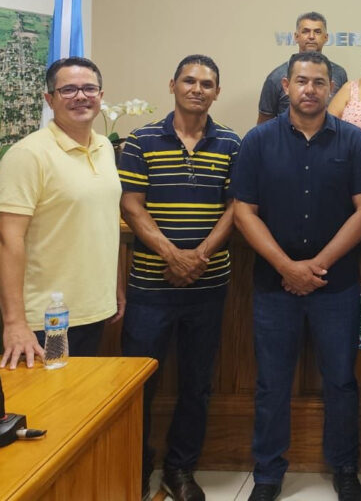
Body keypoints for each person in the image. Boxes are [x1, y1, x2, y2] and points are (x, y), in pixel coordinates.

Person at [233, 51, 361, 501]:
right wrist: (286, 267)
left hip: (336, 286)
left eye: (319, 82)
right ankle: (268, 474)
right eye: (302, 81)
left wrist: (316, 266)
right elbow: (244, 211)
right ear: (286, 86)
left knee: (341, 380)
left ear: (331, 88)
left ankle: (345, 468)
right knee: (272, 383)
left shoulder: (353, 140)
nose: (310, 89)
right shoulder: (258, 140)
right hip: (274, 285)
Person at [117, 54, 241, 501]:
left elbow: (236, 208)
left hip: (208, 286)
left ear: (217, 92)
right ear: (172, 85)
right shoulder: (141, 140)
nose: (197, 89)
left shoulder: (232, 143)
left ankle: (180, 469)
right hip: (150, 287)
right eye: (189, 81)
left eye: (206, 84)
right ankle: (134, 466)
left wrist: (198, 257)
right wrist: (172, 255)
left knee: (197, 384)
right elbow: (131, 204)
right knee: (138, 385)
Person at [0, 57, 120, 369]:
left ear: (101, 96)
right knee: (48, 400)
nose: (81, 96)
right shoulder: (27, 155)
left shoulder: (105, 147)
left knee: (83, 397)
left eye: (89, 88)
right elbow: (7, 240)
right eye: (68, 90)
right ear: (49, 99)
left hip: (94, 310)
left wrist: (115, 287)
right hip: (46, 320)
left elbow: (103, 222)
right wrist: (14, 322)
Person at [257, 11, 348, 124]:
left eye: (317, 32)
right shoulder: (276, 77)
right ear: (296, 37)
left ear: (326, 37)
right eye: (306, 31)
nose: (311, 36)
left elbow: (344, 116)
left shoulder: (339, 74)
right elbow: (264, 122)